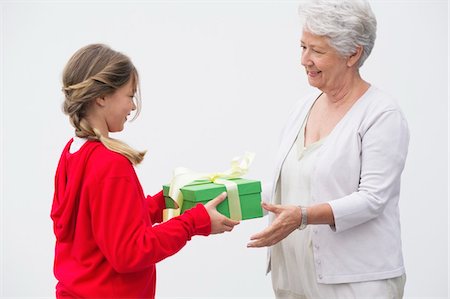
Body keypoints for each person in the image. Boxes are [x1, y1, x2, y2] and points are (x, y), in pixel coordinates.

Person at [50, 43, 239, 299]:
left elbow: (103, 226)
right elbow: (130, 252)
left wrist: (164, 203)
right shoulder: (111, 164)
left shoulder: (72, 153)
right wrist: (195, 222)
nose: (133, 107)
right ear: (102, 97)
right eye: (130, 95)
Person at [247, 1, 409, 298]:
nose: (304, 59)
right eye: (302, 47)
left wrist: (304, 215)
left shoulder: (381, 114)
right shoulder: (303, 108)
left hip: (356, 281)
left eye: (317, 51)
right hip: (295, 278)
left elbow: (372, 199)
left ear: (353, 54)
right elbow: (291, 185)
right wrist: (227, 195)